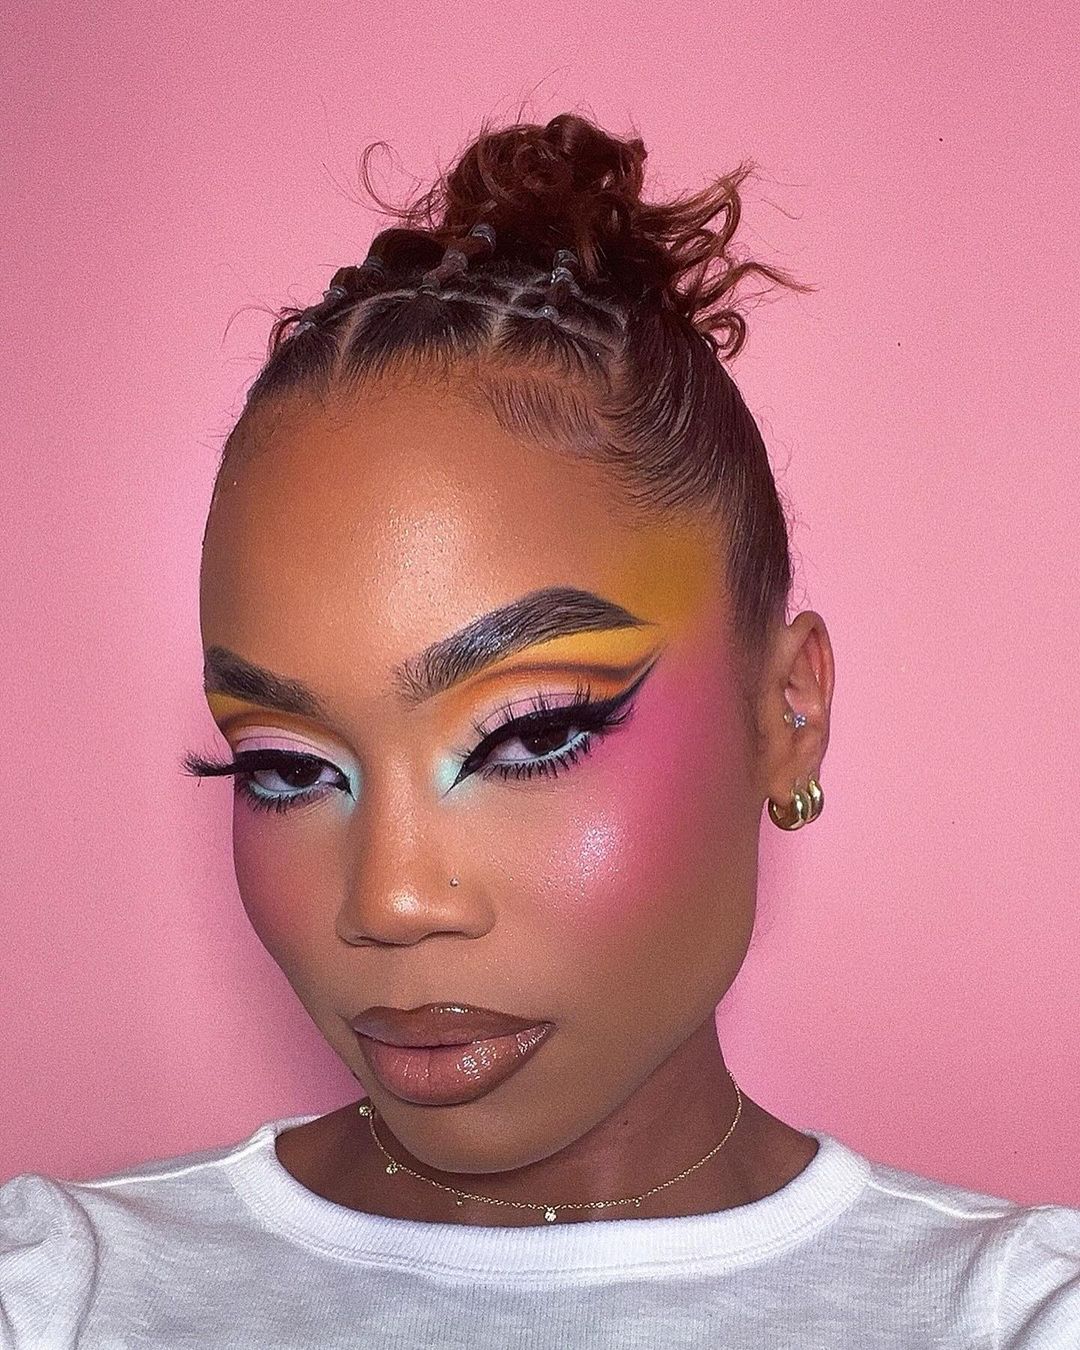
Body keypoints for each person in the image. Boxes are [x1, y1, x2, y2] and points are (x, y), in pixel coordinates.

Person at [2, 110, 1077, 1349]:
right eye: (287, 767)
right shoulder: (60, 1299)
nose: (392, 902)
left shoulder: (1013, 1315)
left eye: (528, 738)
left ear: (789, 710)